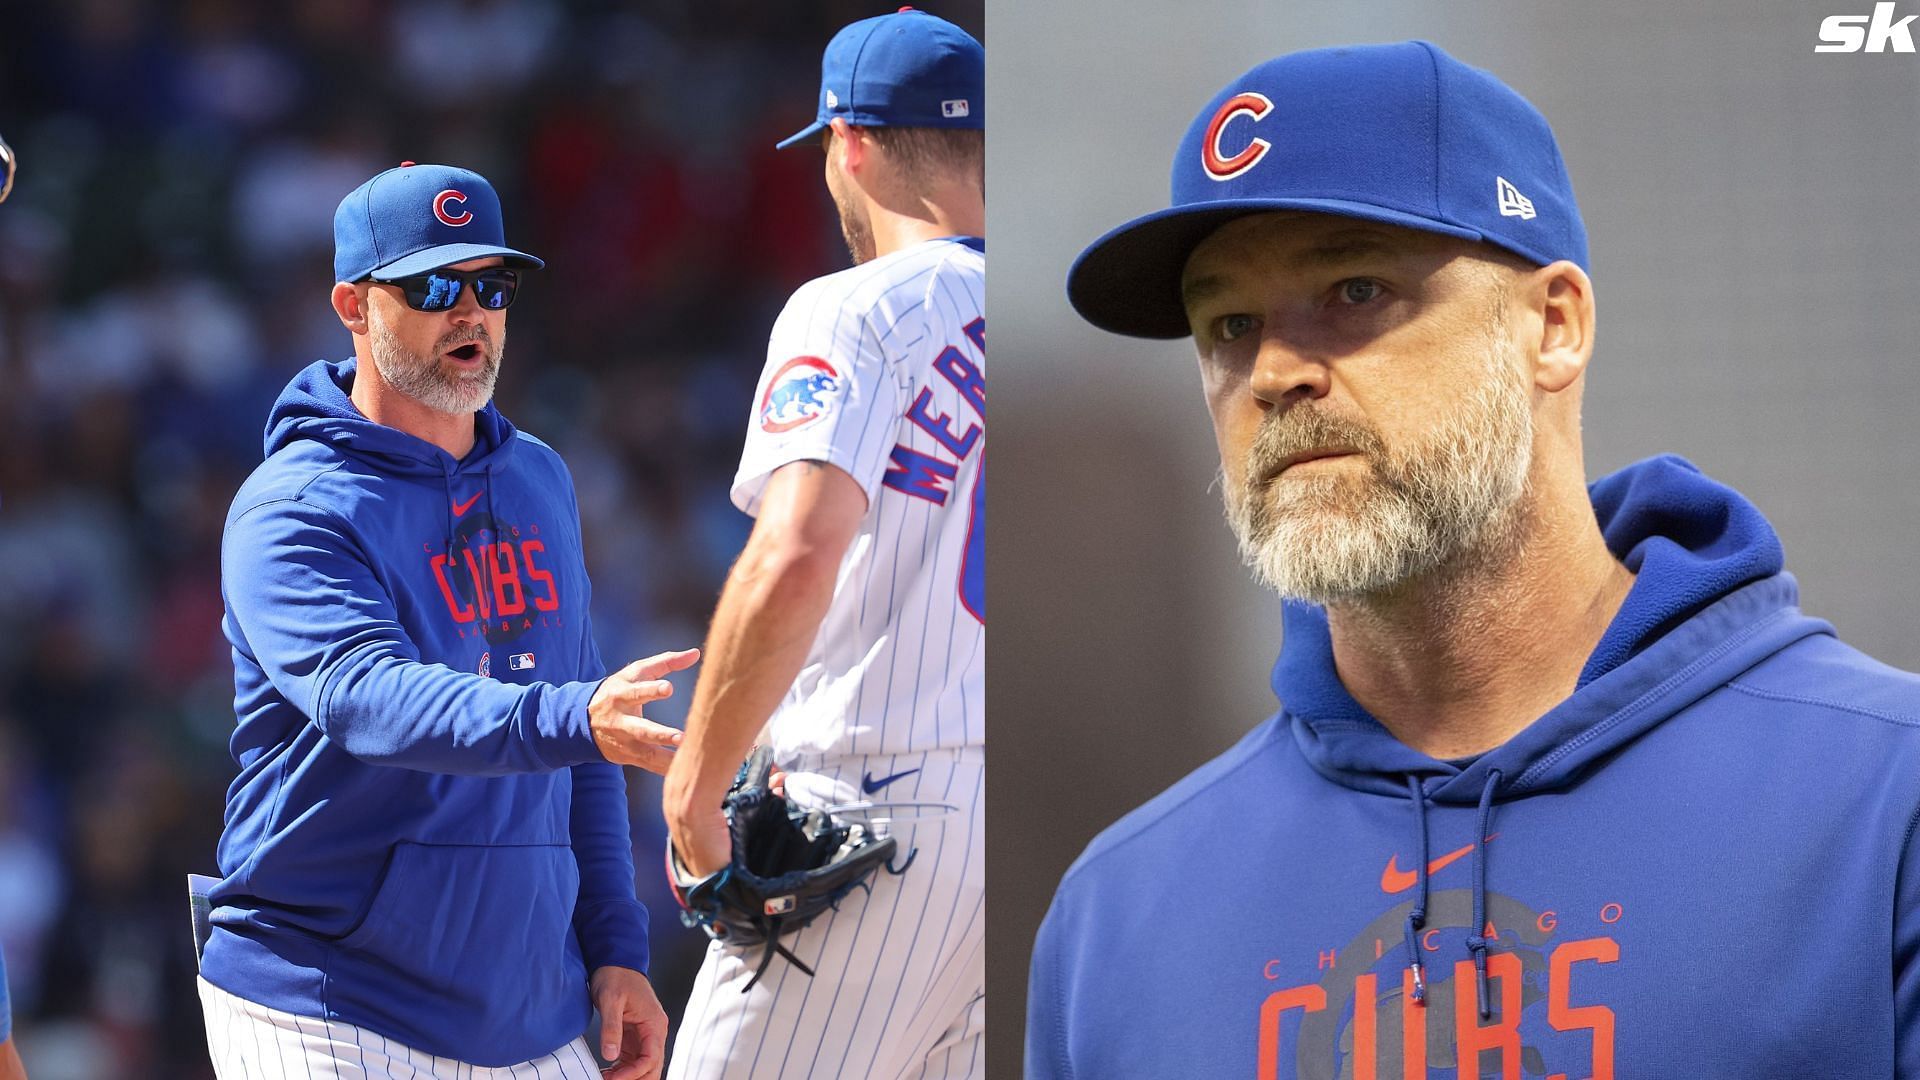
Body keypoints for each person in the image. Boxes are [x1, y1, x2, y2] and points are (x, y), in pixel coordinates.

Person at [1029, 41, 1920, 1079]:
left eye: (1354, 290)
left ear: (1553, 326)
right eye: (1228, 323)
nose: (1272, 371)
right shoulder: (1116, 916)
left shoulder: (1880, 801)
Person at [199, 162, 698, 1080]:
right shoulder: (293, 506)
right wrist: (571, 717)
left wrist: (616, 948)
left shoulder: (539, 478)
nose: (471, 311)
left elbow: (585, 742)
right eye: (436, 286)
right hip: (327, 999)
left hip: (528, 1004)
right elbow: (365, 700)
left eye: (493, 285)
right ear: (353, 306)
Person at [617, 9, 987, 1078]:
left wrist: (695, 783)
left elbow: (794, 553)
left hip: (871, 804)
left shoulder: (860, 306)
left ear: (850, 143)